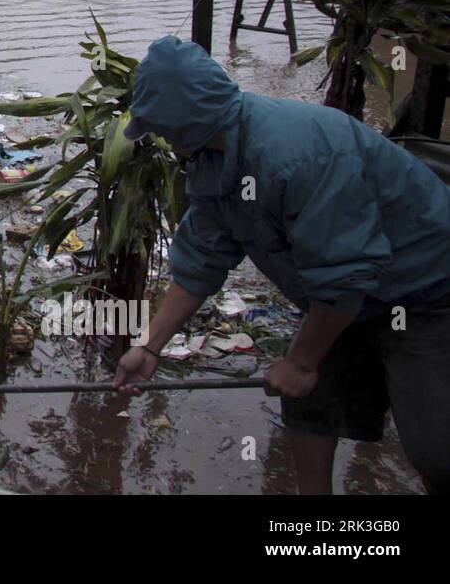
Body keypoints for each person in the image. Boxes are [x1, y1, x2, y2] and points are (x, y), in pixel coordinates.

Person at [112, 36, 450, 494]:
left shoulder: (298, 154)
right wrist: (150, 347)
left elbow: (346, 272)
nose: (160, 135)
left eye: (159, 124)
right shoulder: (212, 158)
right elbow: (201, 260)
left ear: (185, 118)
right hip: (346, 300)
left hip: (426, 290)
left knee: (435, 445)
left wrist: (303, 360)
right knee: (308, 406)